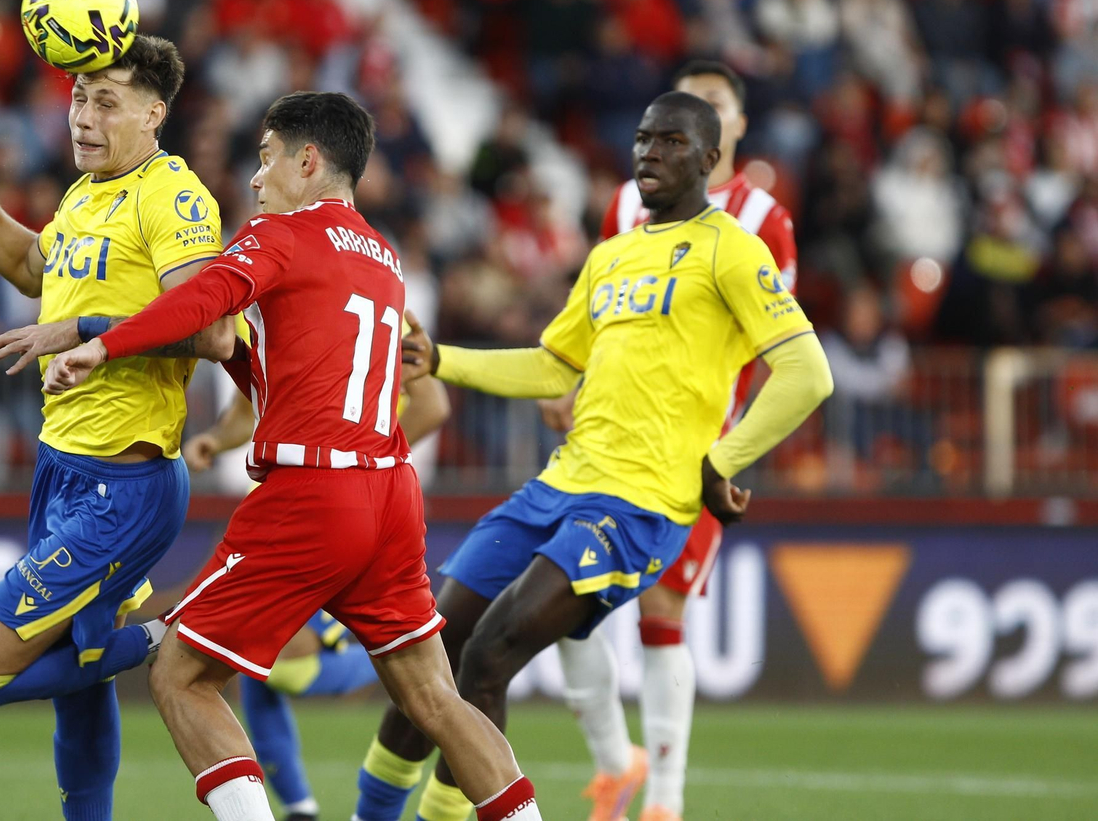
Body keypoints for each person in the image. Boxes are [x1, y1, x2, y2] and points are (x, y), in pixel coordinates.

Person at [44, 92, 545, 821]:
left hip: (314, 493)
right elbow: (290, 367)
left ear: (307, 160)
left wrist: (100, 342)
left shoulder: (281, 235)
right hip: (392, 494)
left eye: (265, 156)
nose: (255, 178)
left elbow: (205, 301)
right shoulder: (384, 257)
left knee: (181, 674)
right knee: (435, 696)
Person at [350, 91, 833, 821]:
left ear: (709, 158)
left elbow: (808, 373)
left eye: (671, 142)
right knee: (436, 650)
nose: (650, 153)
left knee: (489, 658)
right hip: (559, 484)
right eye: (643, 140)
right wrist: (441, 358)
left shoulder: (731, 247)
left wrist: (724, 460)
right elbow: (552, 367)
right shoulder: (611, 256)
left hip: (638, 504)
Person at [0, 35, 237, 821]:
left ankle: (175, 632)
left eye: (106, 101)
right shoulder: (88, 192)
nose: (82, 118)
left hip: (125, 487)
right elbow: (34, 271)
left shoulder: (174, 197)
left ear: (154, 113)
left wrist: (85, 329)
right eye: (78, 98)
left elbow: (213, 329)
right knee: (76, 683)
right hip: (65, 470)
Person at [543, 59, 798, 821]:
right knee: (561, 599)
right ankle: (614, 762)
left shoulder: (762, 222)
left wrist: (731, 444)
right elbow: (600, 305)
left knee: (664, 610)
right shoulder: (627, 202)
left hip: (692, 444)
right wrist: (571, 380)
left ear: (733, 131)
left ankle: (667, 802)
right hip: (606, 438)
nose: (689, 121)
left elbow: (772, 343)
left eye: (713, 106)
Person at [183, 341, 451, 821]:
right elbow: (251, 406)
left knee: (280, 667)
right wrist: (217, 441)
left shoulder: (367, 288)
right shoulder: (274, 310)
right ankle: (301, 808)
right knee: (255, 672)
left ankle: (391, 663)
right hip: (288, 503)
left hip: (343, 504)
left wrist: (364, 460)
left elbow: (432, 403)